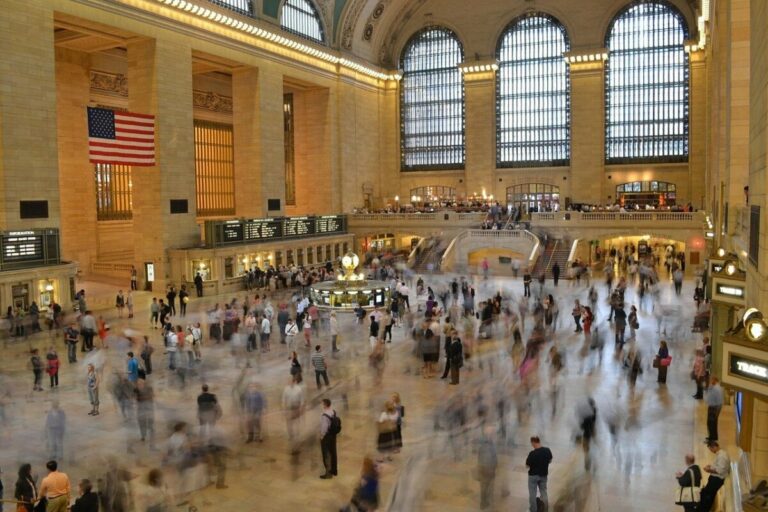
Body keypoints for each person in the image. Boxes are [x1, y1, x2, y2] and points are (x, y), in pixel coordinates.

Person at [698, 441, 730, 512]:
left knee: (708, 497)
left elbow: (720, 470)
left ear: (714, 447)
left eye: (711, 449)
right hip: (715, 479)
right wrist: (711, 466)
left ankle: (703, 510)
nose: (711, 451)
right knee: (706, 493)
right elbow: (718, 466)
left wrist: (709, 470)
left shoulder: (722, 456)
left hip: (717, 480)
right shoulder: (720, 454)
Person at [525, 436, 553, 512]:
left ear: (533, 442)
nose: (532, 445)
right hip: (543, 475)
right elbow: (550, 460)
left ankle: (533, 510)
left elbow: (527, 465)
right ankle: (546, 509)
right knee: (543, 492)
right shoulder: (547, 450)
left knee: (532, 494)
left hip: (533, 476)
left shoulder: (532, 453)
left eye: (532, 443)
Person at [477, 426, 498, 510]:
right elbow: (487, 458)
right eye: (493, 433)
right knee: (486, 486)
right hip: (487, 469)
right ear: (489, 434)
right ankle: (484, 503)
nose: (494, 435)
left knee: (485, 486)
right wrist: (491, 468)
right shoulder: (486, 444)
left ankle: (484, 502)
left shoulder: (488, 442)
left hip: (486, 469)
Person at [319, 399, 338, 479]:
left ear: (325, 405)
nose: (321, 405)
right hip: (333, 435)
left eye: (322, 404)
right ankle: (334, 470)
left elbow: (324, 428)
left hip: (327, 437)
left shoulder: (324, 415)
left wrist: (321, 436)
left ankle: (328, 473)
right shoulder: (333, 411)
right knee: (333, 452)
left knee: (326, 454)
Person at [706, 377, 724, 441]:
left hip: (714, 408)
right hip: (711, 407)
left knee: (711, 424)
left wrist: (717, 412)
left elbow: (720, 402)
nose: (710, 381)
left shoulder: (717, 389)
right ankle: (713, 437)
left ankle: (712, 438)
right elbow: (709, 392)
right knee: (711, 423)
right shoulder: (713, 387)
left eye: (711, 380)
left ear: (715, 380)